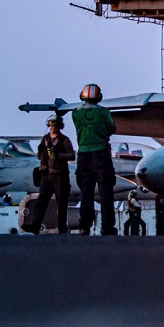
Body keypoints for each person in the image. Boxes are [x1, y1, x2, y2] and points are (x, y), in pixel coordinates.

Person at [72, 84, 117, 235]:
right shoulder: (104, 112)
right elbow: (111, 128)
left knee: (86, 192)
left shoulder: (75, 114)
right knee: (106, 192)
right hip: (101, 155)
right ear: (99, 96)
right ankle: (107, 227)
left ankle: (84, 226)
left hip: (83, 154)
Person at [24, 116, 74, 234]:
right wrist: (40, 151)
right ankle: (34, 225)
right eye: (50, 125)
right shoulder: (45, 139)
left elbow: (72, 155)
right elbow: (39, 156)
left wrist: (60, 155)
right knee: (41, 201)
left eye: (54, 125)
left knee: (61, 203)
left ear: (59, 126)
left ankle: (62, 227)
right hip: (46, 175)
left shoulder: (64, 140)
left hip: (59, 175)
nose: (52, 127)